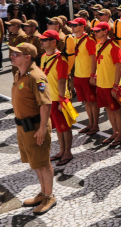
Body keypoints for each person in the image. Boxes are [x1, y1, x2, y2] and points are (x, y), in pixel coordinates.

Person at [9, 42, 57, 215]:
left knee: (43, 163)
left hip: (36, 126)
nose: (12, 56)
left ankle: (49, 196)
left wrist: (43, 128)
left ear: (27, 57)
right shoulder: (19, 73)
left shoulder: (36, 77)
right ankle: (43, 193)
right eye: (12, 53)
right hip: (24, 127)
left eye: (17, 54)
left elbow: (45, 105)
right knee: (36, 163)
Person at [38, 30, 74, 166]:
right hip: (49, 97)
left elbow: (62, 81)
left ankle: (68, 153)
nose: (41, 42)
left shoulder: (61, 59)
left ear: (54, 42)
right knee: (59, 127)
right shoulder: (43, 57)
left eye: (45, 40)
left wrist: (61, 99)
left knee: (65, 127)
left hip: (59, 98)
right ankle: (62, 150)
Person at [91, 21, 121, 145]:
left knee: (116, 110)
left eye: (97, 31)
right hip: (101, 84)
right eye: (94, 31)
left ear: (105, 31)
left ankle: (120, 135)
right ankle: (115, 132)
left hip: (111, 85)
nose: (95, 33)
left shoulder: (114, 46)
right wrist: (93, 75)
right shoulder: (98, 45)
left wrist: (116, 86)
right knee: (108, 109)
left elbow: (118, 67)